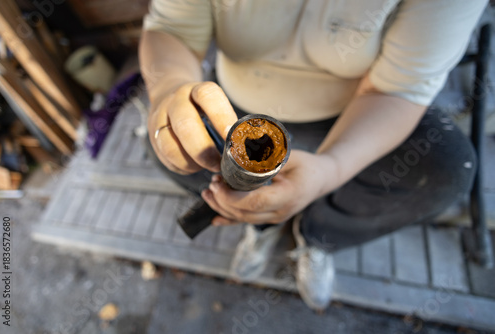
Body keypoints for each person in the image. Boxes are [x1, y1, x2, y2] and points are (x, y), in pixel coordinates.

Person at [140, 0, 488, 309]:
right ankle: (262, 222)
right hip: (231, 108)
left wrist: (332, 168)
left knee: (446, 169)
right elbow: (172, 29)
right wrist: (168, 88)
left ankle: (319, 235)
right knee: (168, 147)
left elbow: (400, 87)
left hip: (356, 113)